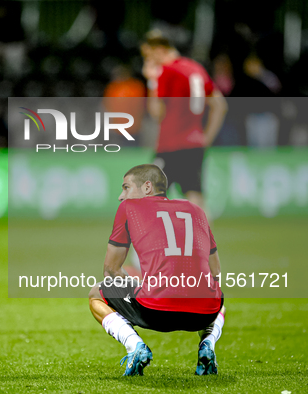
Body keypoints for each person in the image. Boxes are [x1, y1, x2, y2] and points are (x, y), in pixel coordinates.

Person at [88, 164, 225, 376]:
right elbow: (215, 272)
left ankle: (135, 347)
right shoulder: (197, 210)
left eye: (126, 188)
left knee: (97, 293)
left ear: (147, 187)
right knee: (216, 294)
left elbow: (110, 270)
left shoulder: (129, 208)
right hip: (203, 314)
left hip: (156, 310)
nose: (120, 196)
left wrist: (142, 287)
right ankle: (207, 344)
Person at [141, 31, 228, 214]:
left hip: (171, 144)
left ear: (158, 50)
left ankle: (150, 242)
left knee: (146, 194)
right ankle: (206, 242)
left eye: (148, 56)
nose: (148, 62)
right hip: (195, 144)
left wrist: (151, 81)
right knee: (195, 197)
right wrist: (206, 138)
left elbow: (157, 113)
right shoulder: (196, 69)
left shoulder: (167, 71)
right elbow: (220, 105)